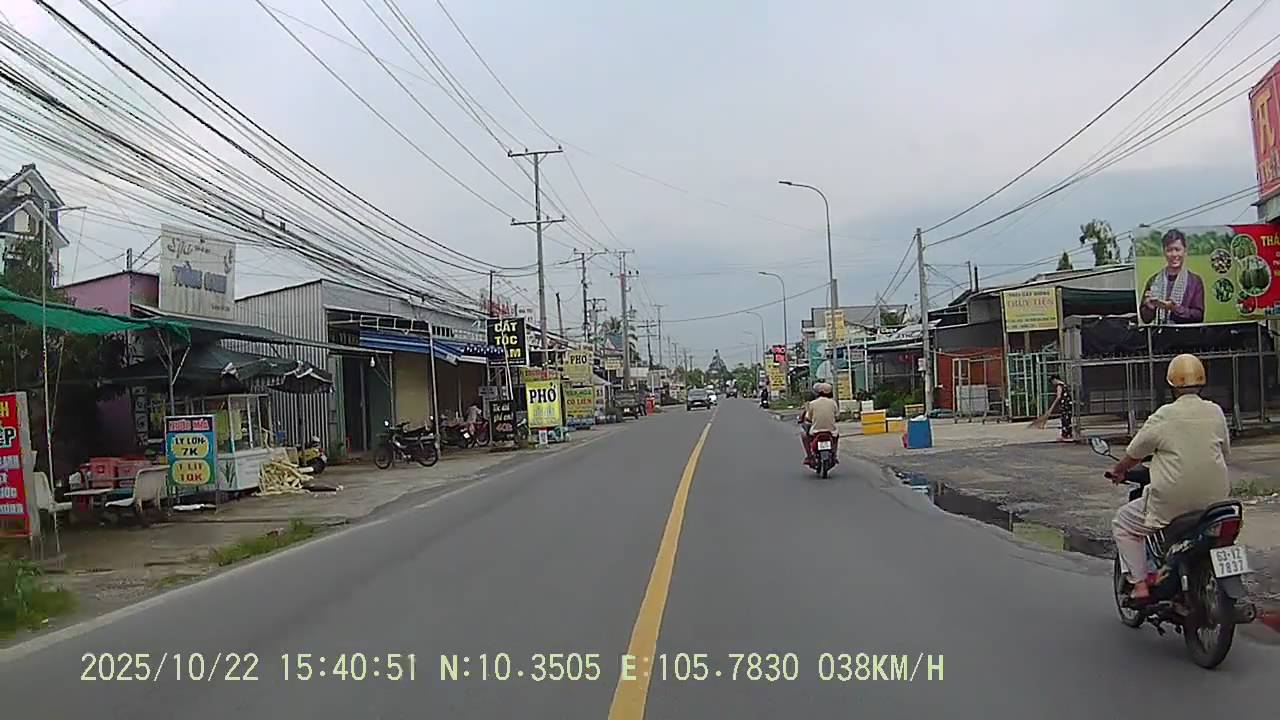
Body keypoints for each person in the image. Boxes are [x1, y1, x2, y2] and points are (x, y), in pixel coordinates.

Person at [1107, 354, 1230, 602]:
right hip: (1215, 501)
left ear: (1172, 385)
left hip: (1173, 501)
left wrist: (1119, 470)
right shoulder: (1215, 411)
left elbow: (1134, 453)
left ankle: (1140, 584)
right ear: (1202, 381)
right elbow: (1225, 451)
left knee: (1123, 522)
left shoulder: (1164, 416)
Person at [1139, 229, 1205, 325]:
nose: (1174, 255)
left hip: (1187, 334)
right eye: (1169, 250)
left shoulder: (1194, 281)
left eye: (1177, 250)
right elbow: (1145, 319)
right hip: (1160, 333)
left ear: (1185, 251)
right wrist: (1150, 307)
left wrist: (1174, 308)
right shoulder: (1153, 280)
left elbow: (1199, 316)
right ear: (1164, 252)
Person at [800, 382, 840, 467]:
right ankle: (834, 455)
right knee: (836, 437)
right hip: (831, 431)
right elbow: (837, 416)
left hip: (816, 430)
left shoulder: (812, 403)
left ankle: (809, 456)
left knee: (804, 436)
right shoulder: (833, 403)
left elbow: (808, 418)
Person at [1046, 374, 1073, 441]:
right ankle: (1068, 434)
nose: (1053, 384)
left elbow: (1058, 396)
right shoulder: (1064, 385)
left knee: (1064, 419)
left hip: (1064, 404)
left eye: (1052, 382)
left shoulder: (1059, 386)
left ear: (1054, 379)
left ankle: (1065, 435)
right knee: (1068, 419)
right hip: (1068, 404)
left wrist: (1053, 405)